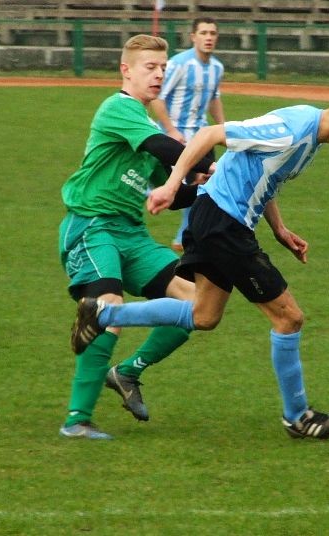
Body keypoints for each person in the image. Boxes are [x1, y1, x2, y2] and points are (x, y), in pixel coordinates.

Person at [71, 87, 329, 440]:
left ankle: (102, 314)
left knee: (203, 316)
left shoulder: (311, 138)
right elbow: (210, 134)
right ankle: (297, 416)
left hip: (219, 222)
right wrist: (171, 186)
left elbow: (265, 177)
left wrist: (280, 229)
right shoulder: (291, 128)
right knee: (289, 317)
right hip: (223, 224)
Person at [58, 34, 215, 440]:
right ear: (125, 70)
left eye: (163, 68)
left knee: (196, 306)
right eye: (150, 67)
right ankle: (77, 420)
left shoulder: (145, 122)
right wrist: (207, 153)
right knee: (108, 309)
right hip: (93, 225)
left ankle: (127, 371)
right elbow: (164, 147)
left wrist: (208, 184)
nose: (159, 74)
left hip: (131, 233)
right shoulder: (119, 108)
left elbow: (175, 190)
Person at [149, 17, 225, 253]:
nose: (209, 37)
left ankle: (189, 235)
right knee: (189, 186)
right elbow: (158, 99)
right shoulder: (178, 64)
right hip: (179, 139)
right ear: (193, 37)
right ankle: (185, 234)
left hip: (203, 136)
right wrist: (171, 130)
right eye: (203, 33)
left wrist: (225, 128)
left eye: (212, 33)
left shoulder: (217, 68)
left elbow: (214, 98)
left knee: (208, 185)